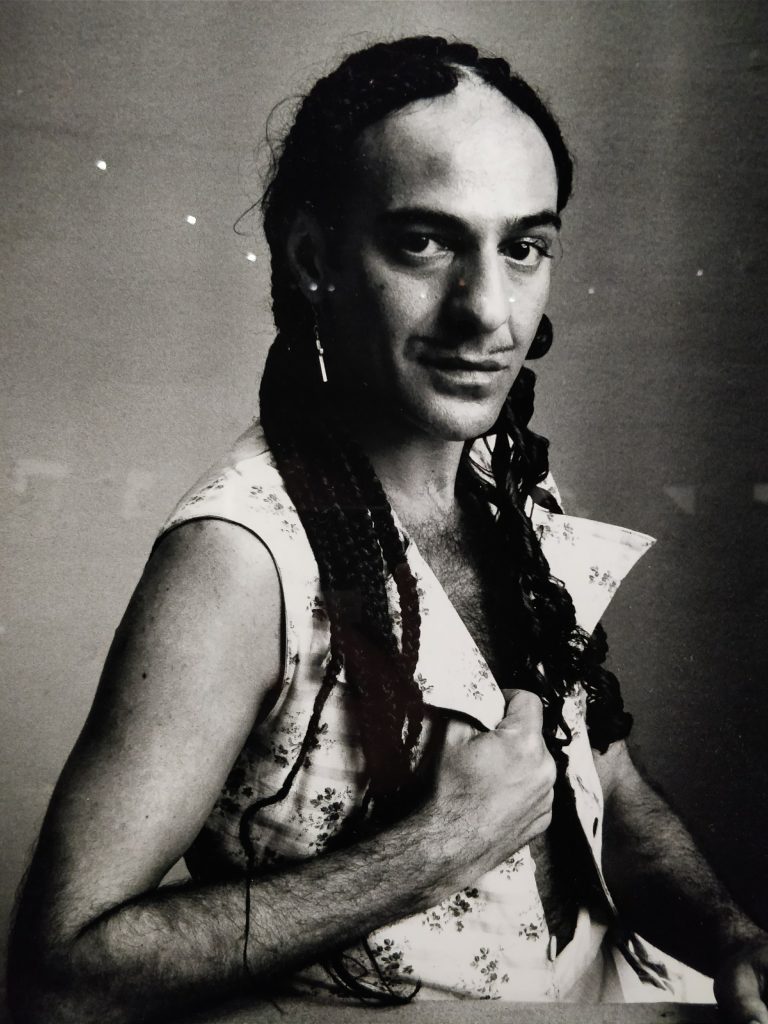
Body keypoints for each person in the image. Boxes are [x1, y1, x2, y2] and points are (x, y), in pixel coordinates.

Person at [7, 35, 768, 1024]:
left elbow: (595, 776)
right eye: (423, 242)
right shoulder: (242, 560)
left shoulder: (513, 484)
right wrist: (432, 849)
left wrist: (727, 934)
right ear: (314, 259)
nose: (487, 311)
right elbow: (58, 980)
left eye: (523, 247)